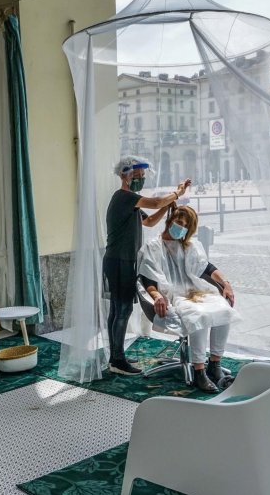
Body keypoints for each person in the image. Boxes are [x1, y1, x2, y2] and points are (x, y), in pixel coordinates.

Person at [103, 155, 190, 375]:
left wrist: (168, 205)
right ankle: (117, 361)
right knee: (122, 309)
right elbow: (156, 202)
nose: (141, 179)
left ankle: (115, 356)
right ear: (125, 175)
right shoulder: (124, 197)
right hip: (119, 261)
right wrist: (177, 193)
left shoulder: (130, 201)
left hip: (121, 260)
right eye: (137, 175)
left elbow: (149, 221)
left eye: (142, 175)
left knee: (117, 309)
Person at [138, 205, 240, 393]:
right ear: (170, 221)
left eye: (186, 226)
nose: (181, 228)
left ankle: (214, 364)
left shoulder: (189, 246)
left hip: (196, 291)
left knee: (224, 310)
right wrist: (157, 296)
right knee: (199, 315)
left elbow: (207, 268)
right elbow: (147, 280)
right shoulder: (152, 247)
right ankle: (199, 371)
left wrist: (226, 283)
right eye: (179, 222)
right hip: (174, 295)